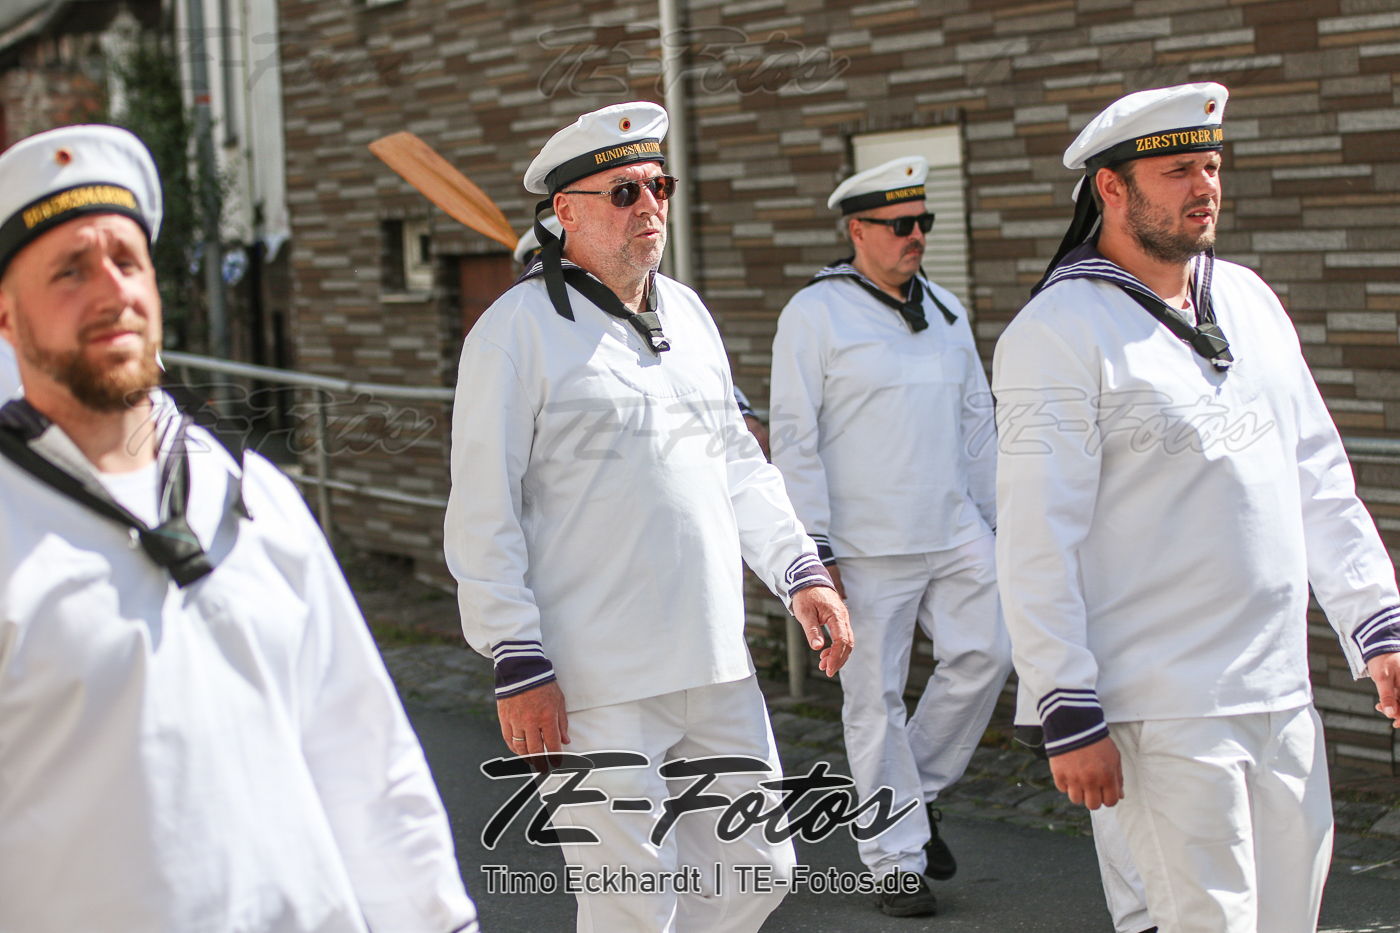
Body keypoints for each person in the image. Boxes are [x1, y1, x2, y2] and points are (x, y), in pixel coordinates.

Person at [0, 125, 478, 933]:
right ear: (7, 318)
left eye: (127, 261)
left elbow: (363, 754)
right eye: (69, 270)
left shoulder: (255, 495)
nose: (111, 290)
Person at [993, 82, 1400, 933]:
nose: (1205, 185)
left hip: (1282, 691)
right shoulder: (1057, 329)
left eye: (1211, 166)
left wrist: (1379, 628)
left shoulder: (1249, 298)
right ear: (1112, 188)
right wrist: (1065, 701)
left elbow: (1317, 474)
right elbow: (1037, 535)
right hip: (1162, 706)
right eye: (1177, 170)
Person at [445, 101, 852, 933]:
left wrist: (799, 569)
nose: (650, 206)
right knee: (630, 904)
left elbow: (737, 462)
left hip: (714, 657)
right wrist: (515, 654)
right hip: (593, 678)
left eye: (658, 186)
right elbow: (484, 507)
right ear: (566, 212)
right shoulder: (511, 335)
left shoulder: (690, 315)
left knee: (758, 871)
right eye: (624, 192)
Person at [769, 156, 1010, 917]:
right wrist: (812, 551)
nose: (916, 236)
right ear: (857, 231)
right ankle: (894, 861)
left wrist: (1000, 521)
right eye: (900, 224)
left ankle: (917, 795)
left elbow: (978, 423)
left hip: (955, 528)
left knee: (990, 651)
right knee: (872, 701)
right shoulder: (815, 313)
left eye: (922, 222)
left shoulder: (945, 308)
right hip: (865, 545)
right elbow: (795, 437)